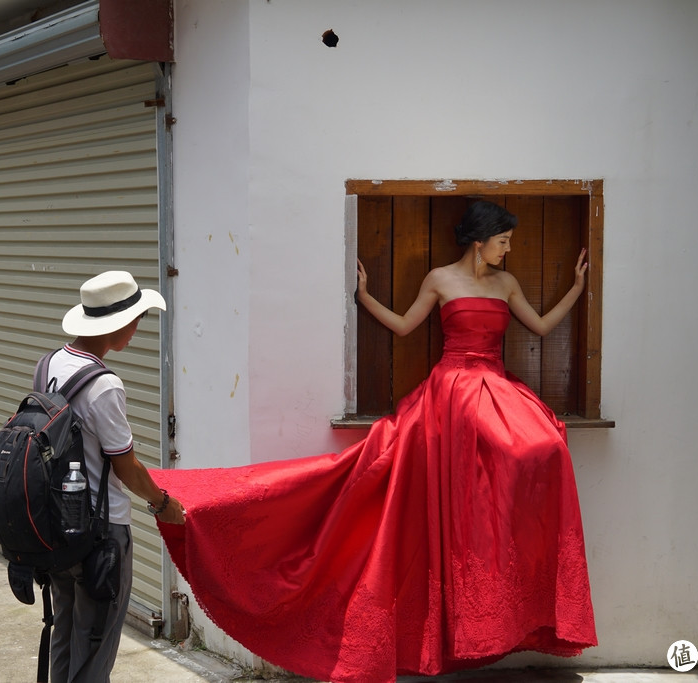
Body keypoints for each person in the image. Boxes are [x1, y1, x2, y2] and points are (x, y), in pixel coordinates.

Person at [154, 201, 597, 683]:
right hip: (453, 390)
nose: (510, 249)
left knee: (544, 449)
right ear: (480, 240)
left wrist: (576, 288)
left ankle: (508, 599)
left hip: (493, 384)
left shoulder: (507, 284)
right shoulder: (440, 278)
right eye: (504, 240)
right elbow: (406, 325)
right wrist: (364, 296)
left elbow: (542, 325)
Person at [45, 270, 186, 683]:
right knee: (94, 648)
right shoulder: (104, 385)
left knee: (66, 635)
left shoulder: (51, 363)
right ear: (120, 324)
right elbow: (126, 465)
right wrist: (162, 504)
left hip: (59, 526)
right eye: (138, 319)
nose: (137, 329)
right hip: (100, 534)